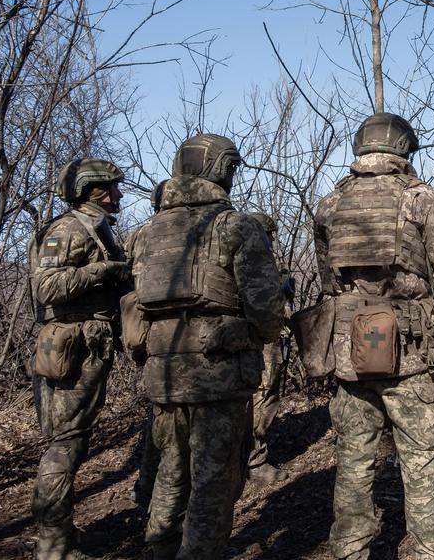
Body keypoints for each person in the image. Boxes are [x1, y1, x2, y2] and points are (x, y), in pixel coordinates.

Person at [314, 112, 434, 560]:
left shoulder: (330, 204)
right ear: (403, 148)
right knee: (422, 459)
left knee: (353, 461)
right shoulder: (421, 199)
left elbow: (329, 282)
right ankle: (432, 552)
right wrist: (430, 311)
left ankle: (349, 549)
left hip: (350, 351)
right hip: (411, 353)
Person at [129, 134, 285, 559]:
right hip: (218, 374)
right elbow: (267, 311)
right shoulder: (235, 226)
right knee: (214, 479)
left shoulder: (145, 232)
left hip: (162, 372)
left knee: (170, 470)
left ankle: (159, 547)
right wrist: (252, 334)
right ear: (221, 169)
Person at [29, 158, 131, 560]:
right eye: (113, 187)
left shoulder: (93, 226)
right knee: (64, 444)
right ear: (94, 190)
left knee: (73, 441)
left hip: (88, 343)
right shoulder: (70, 227)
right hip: (73, 345)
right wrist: (104, 271)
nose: (119, 194)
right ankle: (53, 546)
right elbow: (47, 286)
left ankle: (59, 538)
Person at [245, 211, 295, 484]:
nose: (271, 240)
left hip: (265, 339)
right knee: (262, 398)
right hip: (262, 341)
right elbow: (261, 303)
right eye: (268, 235)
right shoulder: (251, 261)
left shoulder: (253, 260)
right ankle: (254, 462)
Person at [128, 179, 167, 510]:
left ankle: (147, 488)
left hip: (150, 337)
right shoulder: (161, 232)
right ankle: (154, 491)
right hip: (164, 337)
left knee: (160, 414)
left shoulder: (141, 232)